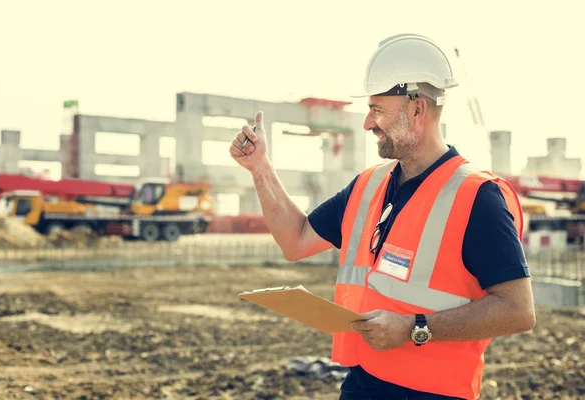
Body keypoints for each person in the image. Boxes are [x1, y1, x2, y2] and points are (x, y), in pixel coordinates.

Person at [229, 33, 536, 400]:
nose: (367, 123)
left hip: (434, 393)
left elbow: (518, 311)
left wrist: (415, 328)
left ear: (416, 109)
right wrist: (260, 168)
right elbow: (295, 240)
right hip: (363, 381)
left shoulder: (477, 196)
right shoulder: (368, 185)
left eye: (377, 110)